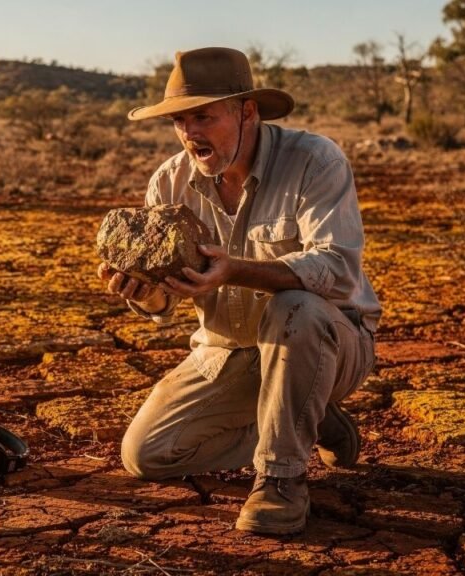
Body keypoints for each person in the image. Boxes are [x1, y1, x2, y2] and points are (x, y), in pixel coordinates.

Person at [98, 47, 381, 535]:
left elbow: (337, 270)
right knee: (147, 453)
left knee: (297, 308)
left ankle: (281, 480)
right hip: (229, 350)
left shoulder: (314, 160)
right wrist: (142, 293)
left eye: (203, 116)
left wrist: (235, 271)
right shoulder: (169, 182)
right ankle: (309, 419)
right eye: (180, 121)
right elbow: (165, 302)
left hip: (331, 341)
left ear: (246, 111)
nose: (189, 133)